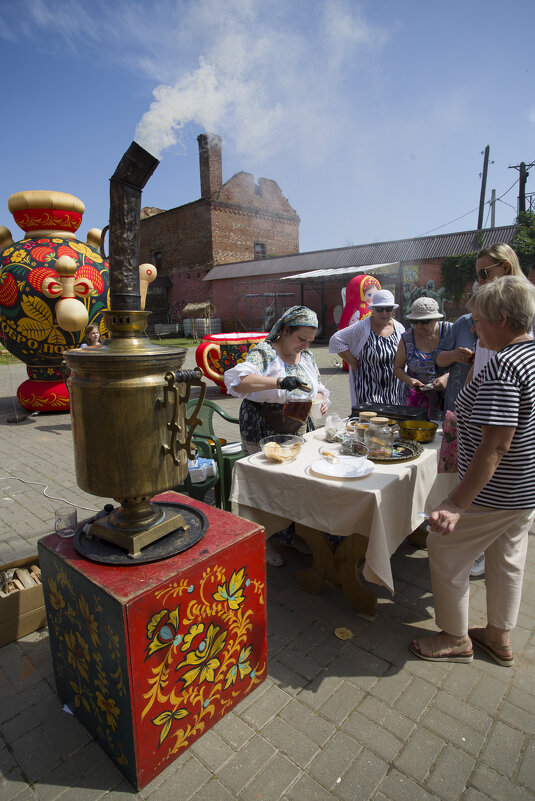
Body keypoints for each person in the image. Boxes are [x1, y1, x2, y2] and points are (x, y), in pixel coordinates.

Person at [409, 276, 535, 667]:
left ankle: (454, 637)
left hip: (495, 491)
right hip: (523, 488)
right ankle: (498, 635)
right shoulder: (530, 354)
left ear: (501, 319)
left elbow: (495, 446)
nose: (474, 328)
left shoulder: (504, 367)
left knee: (445, 547)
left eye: (478, 320)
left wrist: (456, 503)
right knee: (507, 557)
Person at [224, 306, 330, 566]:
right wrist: (280, 382)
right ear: (284, 330)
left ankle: (289, 534)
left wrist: (320, 398)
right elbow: (239, 381)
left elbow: (317, 385)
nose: (305, 345)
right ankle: (265, 539)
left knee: (294, 483)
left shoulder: (306, 356)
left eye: (310, 340)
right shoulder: (265, 352)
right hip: (263, 423)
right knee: (266, 484)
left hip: (297, 423)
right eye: (301, 338)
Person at [328, 289, 405, 410]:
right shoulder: (362, 327)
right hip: (369, 390)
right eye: (379, 309)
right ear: (373, 309)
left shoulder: (399, 328)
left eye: (388, 309)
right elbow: (335, 340)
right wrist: (354, 363)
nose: (384, 313)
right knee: (371, 420)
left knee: (392, 420)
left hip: (393, 390)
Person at [393, 297, 451, 419]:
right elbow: (397, 368)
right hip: (417, 402)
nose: (419, 326)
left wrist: (446, 377)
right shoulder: (407, 338)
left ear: (436, 319)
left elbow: (465, 362)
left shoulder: (450, 331)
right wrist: (410, 381)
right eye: (414, 321)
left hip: (447, 400)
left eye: (424, 321)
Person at [434, 313, 477, 413]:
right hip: (455, 404)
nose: (473, 329)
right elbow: (437, 358)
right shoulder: (463, 322)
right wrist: (454, 355)